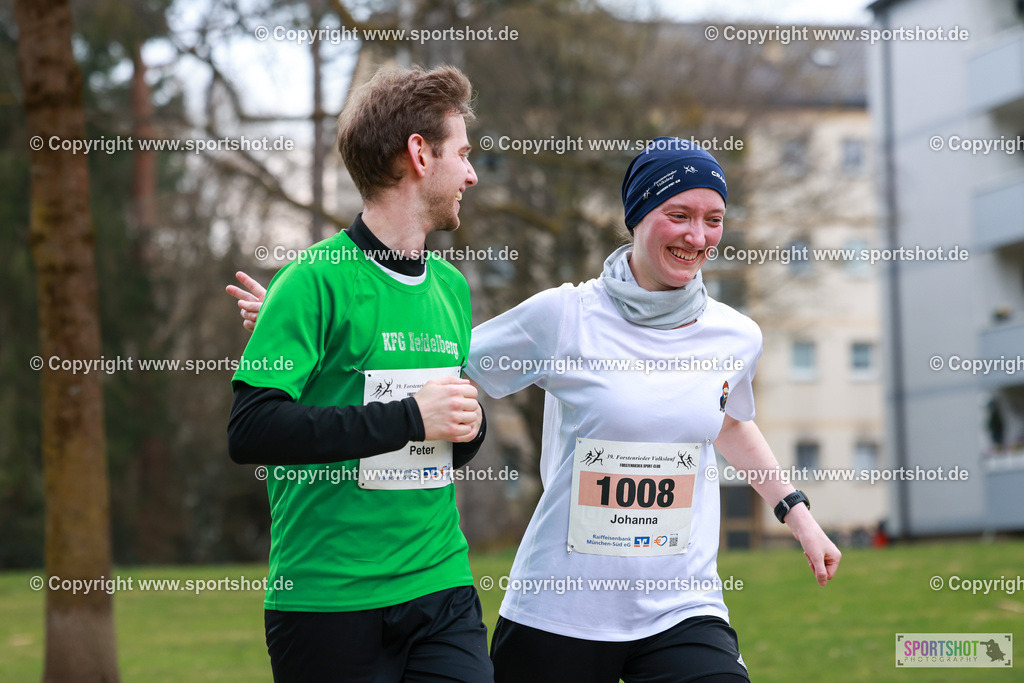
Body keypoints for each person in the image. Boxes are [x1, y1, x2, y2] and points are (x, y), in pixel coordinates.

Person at [231, 137, 842, 682]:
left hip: (682, 601)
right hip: (562, 605)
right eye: (678, 214)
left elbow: (730, 420)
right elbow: (439, 360)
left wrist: (798, 515)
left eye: (713, 219)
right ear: (637, 218)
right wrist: (306, 327)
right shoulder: (564, 316)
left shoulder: (735, 336)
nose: (697, 235)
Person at [227, 64, 493, 683]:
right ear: (419, 155)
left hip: (440, 584)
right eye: (463, 153)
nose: (472, 174)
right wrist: (408, 417)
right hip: (327, 601)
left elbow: (442, 448)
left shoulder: (451, 289)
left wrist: (468, 425)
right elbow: (252, 430)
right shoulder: (311, 282)